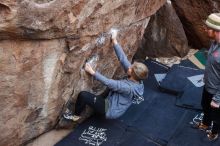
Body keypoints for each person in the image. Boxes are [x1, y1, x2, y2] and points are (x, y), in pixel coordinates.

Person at [63, 29, 148, 121]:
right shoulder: (137, 79)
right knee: (101, 93)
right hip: (115, 100)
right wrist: (114, 40)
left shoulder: (128, 87)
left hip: (110, 109)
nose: (129, 67)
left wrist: (92, 72)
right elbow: (123, 59)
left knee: (83, 95)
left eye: (131, 68)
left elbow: (108, 82)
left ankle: (75, 117)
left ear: (133, 74)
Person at [195, 13, 220, 141]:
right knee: (204, 105)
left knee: (216, 115)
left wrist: (217, 99)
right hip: (209, 85)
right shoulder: (215, 42)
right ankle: (205, 123)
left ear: (216, 31)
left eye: (207, 28)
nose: (205, 30)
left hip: (217, 91)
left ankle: (215, 132)